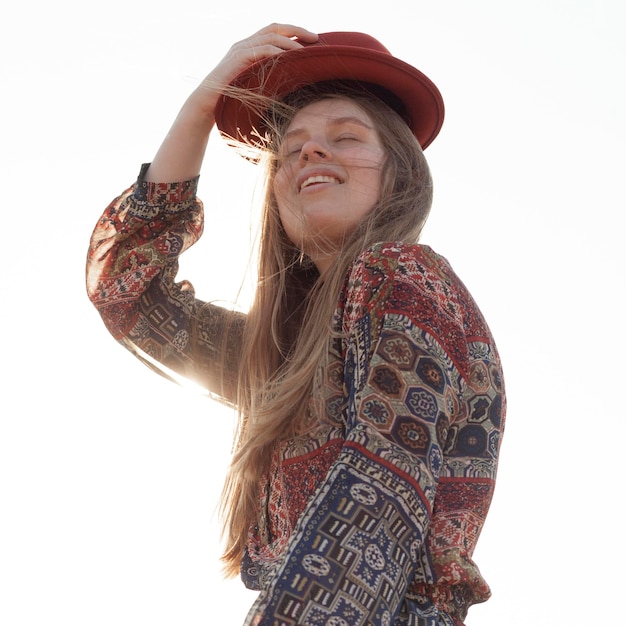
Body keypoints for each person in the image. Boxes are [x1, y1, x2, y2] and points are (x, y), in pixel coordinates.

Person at [86, 24, 506, 626]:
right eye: (290, 149)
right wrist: (201, 105)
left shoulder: (401, 276)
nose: (311, 152)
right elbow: (127, 290)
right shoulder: (283, 354)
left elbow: (372, 516)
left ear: (399, 171)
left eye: (347, 137)